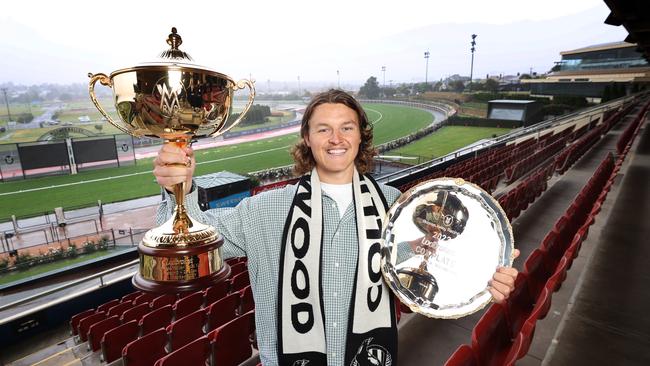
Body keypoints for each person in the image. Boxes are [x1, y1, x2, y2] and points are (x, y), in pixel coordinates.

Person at [153, 89, 519, 366]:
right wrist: (177, 190)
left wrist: (482, 278)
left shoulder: (396, 204)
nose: (336, 138)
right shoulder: (264, 208)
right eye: (323, 129)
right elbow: (187, 242)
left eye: (347, 127)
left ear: (361, 135)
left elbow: (405, 266)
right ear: (307, 140)